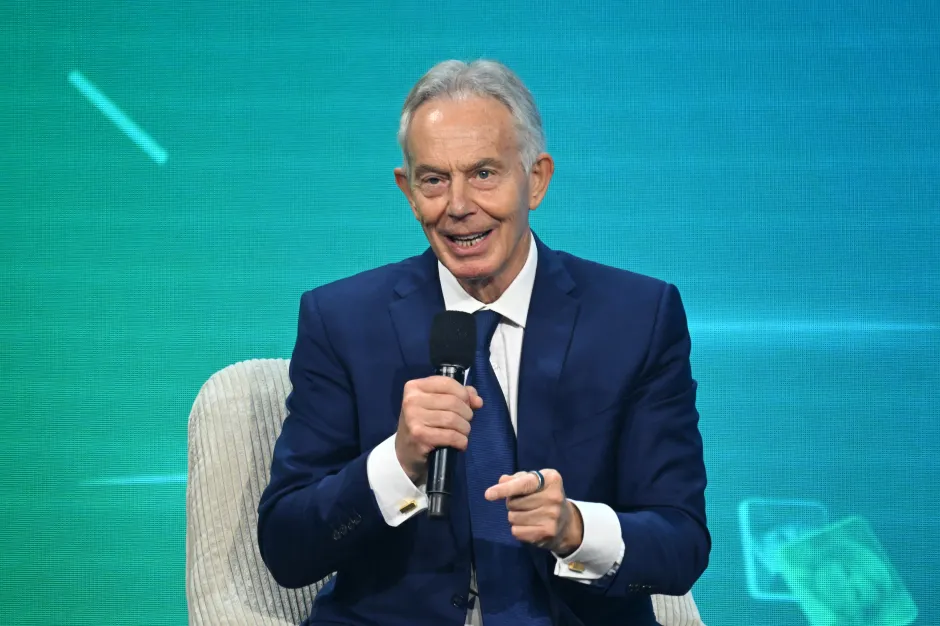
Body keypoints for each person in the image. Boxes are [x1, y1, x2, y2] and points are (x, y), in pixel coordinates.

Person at [257, 59, 710, 626]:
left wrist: (575, 528)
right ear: (408, 190)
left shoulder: (636, 317)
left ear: (536, 179)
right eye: (434, 180)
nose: (459, 205)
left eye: (485, 173)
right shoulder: (342, 320)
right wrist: (395, 463)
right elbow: (286, 546)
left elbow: (681, 540)